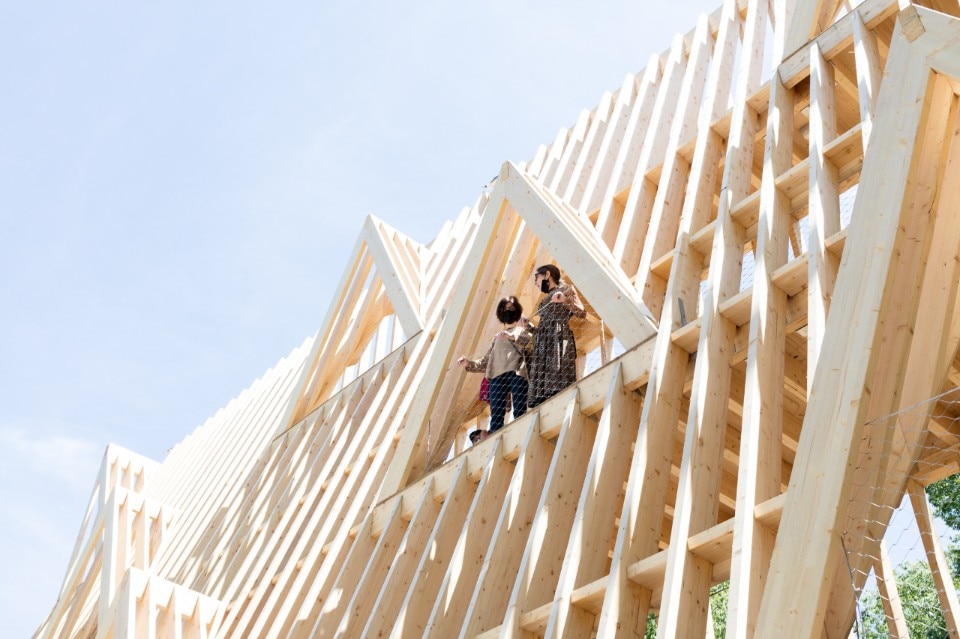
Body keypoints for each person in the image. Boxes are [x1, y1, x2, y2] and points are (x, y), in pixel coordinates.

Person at [458, 297, 533, 434]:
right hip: (497, 377)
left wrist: (512, 336)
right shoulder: (497, 338)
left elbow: (531, 343)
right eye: (504, 309)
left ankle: (521, 433)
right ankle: (495, 441)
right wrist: (468, 363)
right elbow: (486, 361)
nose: (507, 311)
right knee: (496, 417)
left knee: (520, 409)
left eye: (511, 308)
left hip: (517, 372)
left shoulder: (523, 330)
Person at [527, 264, 586, 407]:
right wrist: (528, 327)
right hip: (543, 342)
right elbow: (542, 329)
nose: (535, 283)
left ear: (547, 275)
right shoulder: (543, 300)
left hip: (558, 337)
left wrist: (564, 300)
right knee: (543, 392)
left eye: (537, 278)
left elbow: (581, 312)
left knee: (559, 378)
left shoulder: (566, 289)